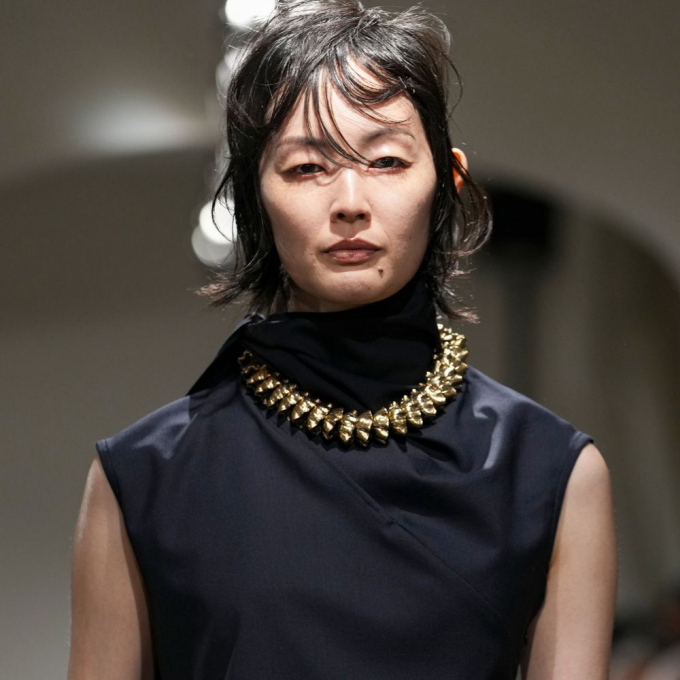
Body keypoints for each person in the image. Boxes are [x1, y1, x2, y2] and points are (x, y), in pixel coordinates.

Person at [68, 0, 618, 678]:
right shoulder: (144, 477)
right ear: (253, 196)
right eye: (307, 168)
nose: (351, 202)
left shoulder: (547, 473)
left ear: (447, 183)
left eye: (387, 160)